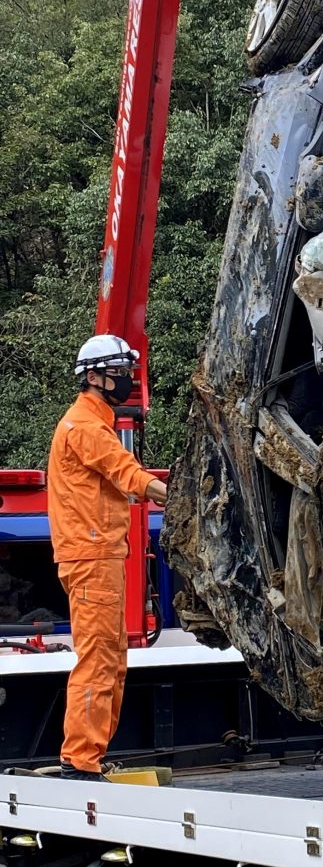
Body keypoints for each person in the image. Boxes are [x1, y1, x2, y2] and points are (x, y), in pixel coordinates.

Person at [47, 335, 167, 781]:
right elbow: (128, 473)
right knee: (98, 659)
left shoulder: (94, 423)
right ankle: (79, 759)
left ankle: (88, 756)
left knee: (112, 659)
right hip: (91, 556)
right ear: (95, 377)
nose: (127, 382)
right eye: (120, 373)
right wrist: (175, 498)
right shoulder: (84, 426)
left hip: (100, 555)